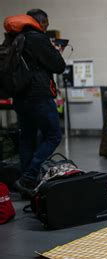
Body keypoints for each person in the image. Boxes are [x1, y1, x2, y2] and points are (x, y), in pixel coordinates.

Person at [9, 9, 66, 197]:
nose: (46, 28)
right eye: (46, 25)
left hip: (19, 96)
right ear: (40, 23)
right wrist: (56, 51)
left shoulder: (14, 38)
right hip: (39, 95)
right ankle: (29, 176)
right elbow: (58, 66)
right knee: (53, 135)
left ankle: (26, 184)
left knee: (27, 137)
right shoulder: (37, 38)